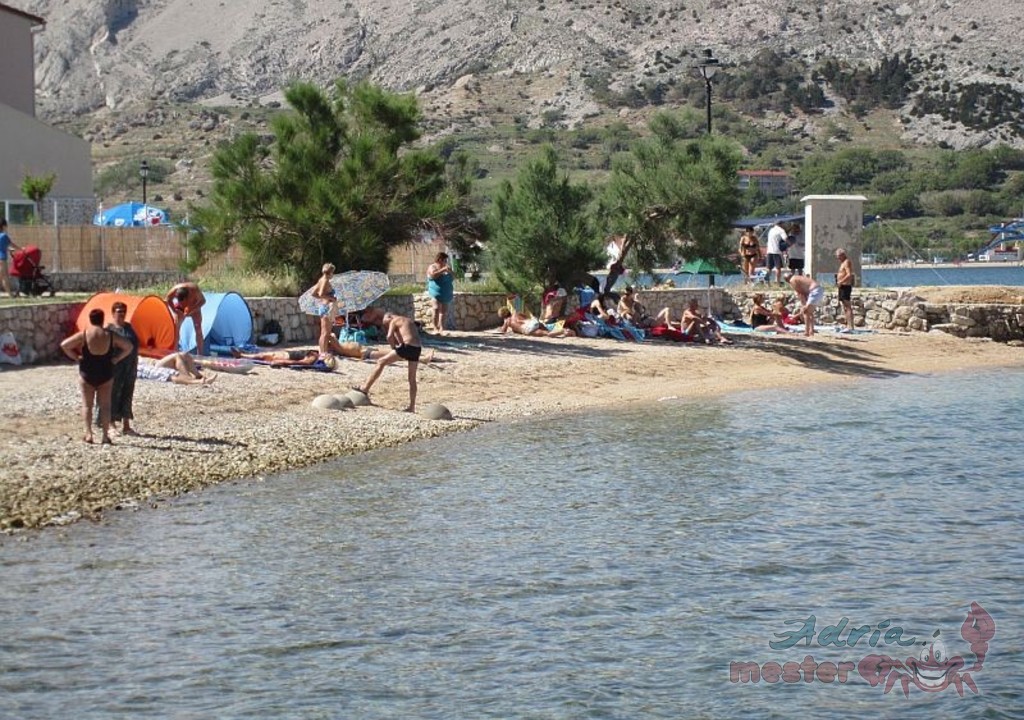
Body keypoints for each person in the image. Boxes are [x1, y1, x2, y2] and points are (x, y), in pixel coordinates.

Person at [60, 308, 133, 444]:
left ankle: (89, 434)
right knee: (105, 406)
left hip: (87, 373)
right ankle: (105, 436)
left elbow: (64, 345)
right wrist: (117, 358)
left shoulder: (84, 334)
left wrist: (76, 357)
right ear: (102, 319)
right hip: (106, 373)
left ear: (90, 319)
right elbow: (128, 346)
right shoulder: (110, 335)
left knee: (87, 406)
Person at [353, 312, 424, 412]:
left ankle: (365, 388)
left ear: (389, 317)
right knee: (412, 379)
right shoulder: (408, 320)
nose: (386, 326)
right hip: (417, 349)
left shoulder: (394, 320)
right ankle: (412, 407)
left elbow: (389, 336)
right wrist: (398, 348)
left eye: (386, 323)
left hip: (408, 347)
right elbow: (404, 337)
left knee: (381, 362)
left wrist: (393, 348)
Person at [106, 301, 139, 435]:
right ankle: (110, 424)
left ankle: (126, 425)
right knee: (112, 394)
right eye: (119, 312)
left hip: (130, 367)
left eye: (123, 312)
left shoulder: (129, 327)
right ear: (113, 313)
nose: (121, 314)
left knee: (127, 394)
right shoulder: (109, 330)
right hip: (115, 367)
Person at [165, 281, 207, 355]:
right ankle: (175, 353)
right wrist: (174, 311)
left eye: (184, 303)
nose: (184, 305)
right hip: (179, 309)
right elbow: (167, 299)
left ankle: (200, 354)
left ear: (188, 297)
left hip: (194, 307)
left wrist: (192, 309)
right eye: (181, 303)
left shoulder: (194, 290)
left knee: (198, 329)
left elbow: (203, 301)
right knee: (176, 329)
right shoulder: (174, 291)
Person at [137, 352, 217, 385]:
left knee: (184, 355)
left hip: (150, 363)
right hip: (152, 367)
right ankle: (189, 378)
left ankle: (198, 376)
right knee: (177, 356)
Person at [785, 271, 825, 337]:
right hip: (817, 290)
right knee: (810, 312)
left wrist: (803, 304)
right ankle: (811, 331)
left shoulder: (792, 280)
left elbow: (800, 293)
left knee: (805, 312)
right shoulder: (798, 278)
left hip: (814, 291)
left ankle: (806, 332)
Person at [311, 263, 338, 356]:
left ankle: (322, 351)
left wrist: (323, 299)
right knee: (326, 333)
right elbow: (321, 293)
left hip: (323, 307)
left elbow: (314, 294)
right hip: (326, 308)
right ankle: (323, 352)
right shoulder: (325, 280)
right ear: (330, 272)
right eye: (333, 272)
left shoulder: (321, 280)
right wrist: (331, 299)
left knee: (324, 332)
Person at [426, 252, 455, 333]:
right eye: (445, 260)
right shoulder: (432, 266)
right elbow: (433, 275)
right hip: (435, 293)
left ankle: (441, 328)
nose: (446, 262)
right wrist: (443, 270)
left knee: (443, 312)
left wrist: (450, 272)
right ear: (440, 259)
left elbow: (453, 277)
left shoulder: (446, 268)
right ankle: (435, 328)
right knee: (435, 309)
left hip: (445, 293)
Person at [497, 307, 569, 337]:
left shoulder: (507, 321)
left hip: (528, 328)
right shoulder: (517, 313)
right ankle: (566, 330)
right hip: (533, 321)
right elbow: (527, 318)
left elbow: (503, 331)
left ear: (503, 316)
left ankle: (562, 331)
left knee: (547, 334)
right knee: (547, 328)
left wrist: (500, 328)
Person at [0, 217, 23, 298]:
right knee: (5, 277)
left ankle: (10, 295)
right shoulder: (4, 236)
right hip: (2, 259)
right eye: (6, 225)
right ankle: (10, 295)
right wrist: (21, 249)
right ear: (3, 226)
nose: (7, 227)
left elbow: (3, 246)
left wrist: (9, 249)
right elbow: (11, 244)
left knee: (1, 277)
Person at [835, 247, 855, 332]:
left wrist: (841, 281)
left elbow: (849, 274)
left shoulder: (847, 262)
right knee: (844, 306)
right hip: (842, 286)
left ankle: (851, 326)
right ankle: (847, 324)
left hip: (845, 286)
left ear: (842, 255)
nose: (838, 258)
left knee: (847, 305)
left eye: (838, 256)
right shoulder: (842, 263)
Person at [765, 220, 788, 285]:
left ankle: (767, 282)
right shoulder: (781, 230)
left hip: (769, 251)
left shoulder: (771, 230)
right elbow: (785, 239)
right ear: (781, 224)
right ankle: (777, 282)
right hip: (777, 251)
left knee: (769, 268)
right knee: (778, 268)